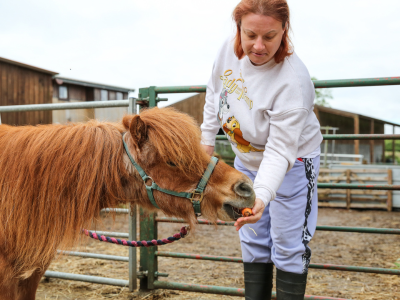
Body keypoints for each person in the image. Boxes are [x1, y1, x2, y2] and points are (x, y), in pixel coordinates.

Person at [200, 0, 323, 299]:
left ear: (284, 31)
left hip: (292, 161)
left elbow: (281, 150)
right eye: (250, 34)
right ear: (239, 28)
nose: (258, 46)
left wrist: (264, 194)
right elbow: (214, 93)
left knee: (287, 243)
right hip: (246, 160)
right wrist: (204, 148)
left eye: (269, 36)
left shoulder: (292, 81)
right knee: (252, 238)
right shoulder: (227, 51)